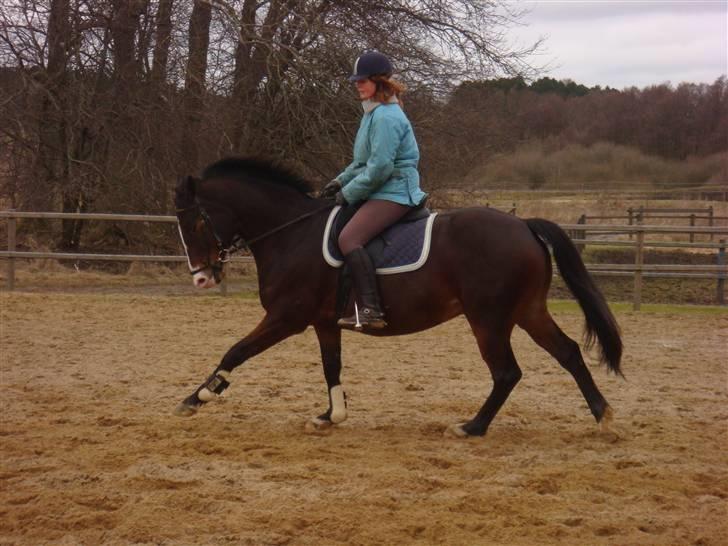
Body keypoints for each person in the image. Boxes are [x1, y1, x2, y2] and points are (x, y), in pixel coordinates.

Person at [320, 50, 427, 330]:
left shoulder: (386, 117)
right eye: (356, 80)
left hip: (396, 191)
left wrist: (350, 193)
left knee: (349, 239)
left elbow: (379, 168)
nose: (357, 84)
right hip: (382, 188)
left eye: (363, 80)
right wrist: (340, 181)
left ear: (379, 81)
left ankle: (371, 310)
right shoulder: (371, 114)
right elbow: (361, 162)